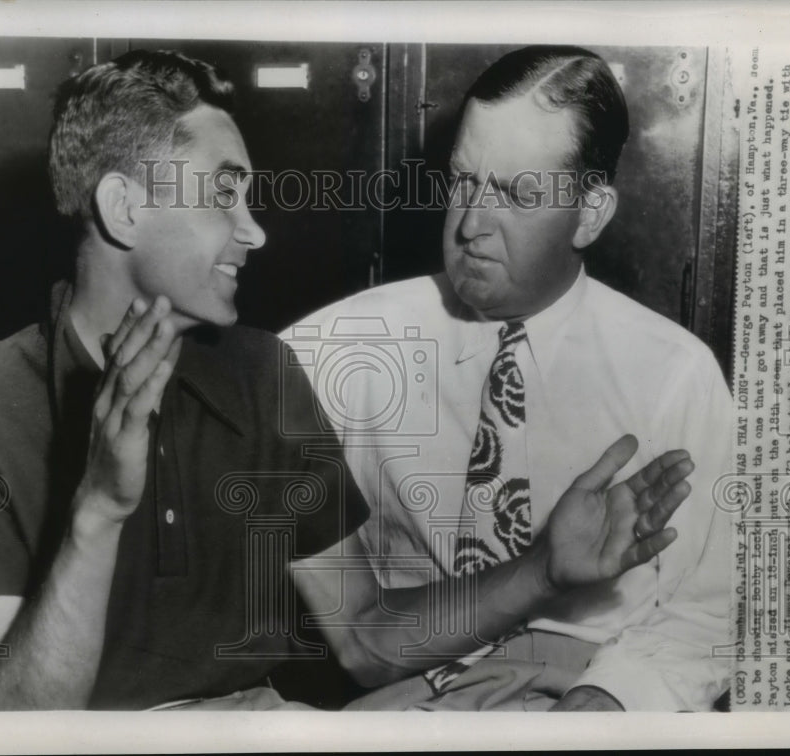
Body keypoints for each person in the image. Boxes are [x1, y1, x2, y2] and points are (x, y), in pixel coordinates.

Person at [0, 49, 697, 711]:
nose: (257, 229)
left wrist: (541, 572)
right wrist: (99, 510)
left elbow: (368, 640)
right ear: (123, 209)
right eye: (222, 194)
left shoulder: (263, 373)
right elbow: (7, 721)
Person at [283, 45, 734, 711]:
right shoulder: (335, 350)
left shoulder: (675, 375)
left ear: (590, 214)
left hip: (581, 700)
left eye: (517, 195)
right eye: (463, 181)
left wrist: (608, 697)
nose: (468, 226)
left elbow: (713, 610)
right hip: (405, 702)